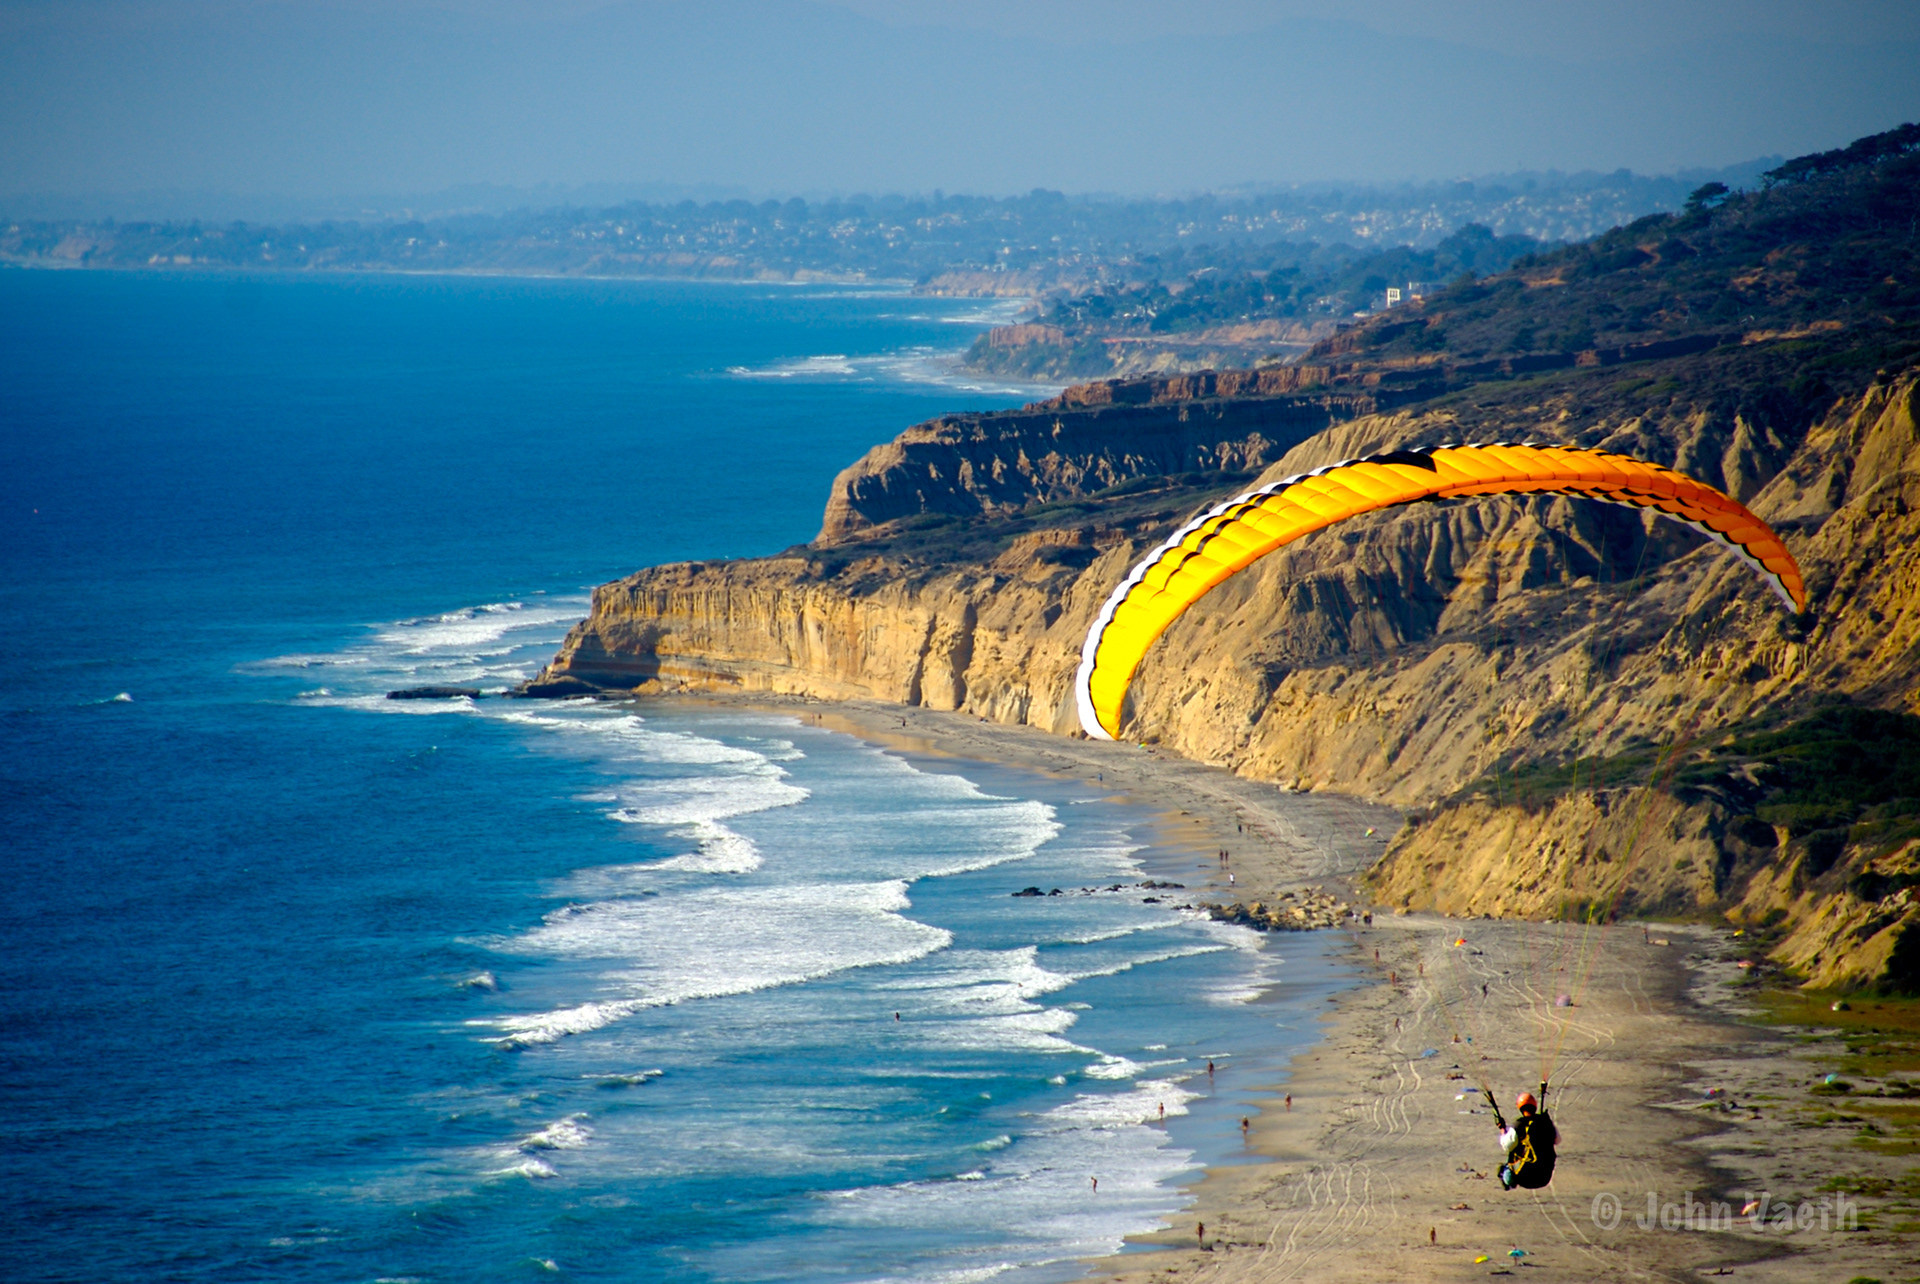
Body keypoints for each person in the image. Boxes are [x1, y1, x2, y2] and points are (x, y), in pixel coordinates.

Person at [1492, 1085, 1557, 1190]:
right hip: (1545, 1177)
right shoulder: (1545, 1124)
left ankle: (1508, 1183)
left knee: (1503, 1170)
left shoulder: (1519, 1125)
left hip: (1525, 1177)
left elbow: (1507, 1146)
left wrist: (1503, 1130)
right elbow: (1557, 1140)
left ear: (1520, 1108)